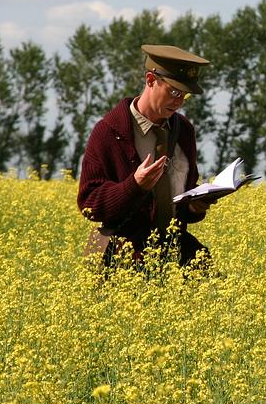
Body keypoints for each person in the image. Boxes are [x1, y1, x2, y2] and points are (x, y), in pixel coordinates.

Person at [78, 44, 211, 267]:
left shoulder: (184, 131)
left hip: (174, 255)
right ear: (150, 80)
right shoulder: (108, 132)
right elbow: (89, 203)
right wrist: (134, 185)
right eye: (174, 92)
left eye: (184, 96)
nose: (178, 102)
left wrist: (194, 207)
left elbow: (179, 196)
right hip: (123, 259)